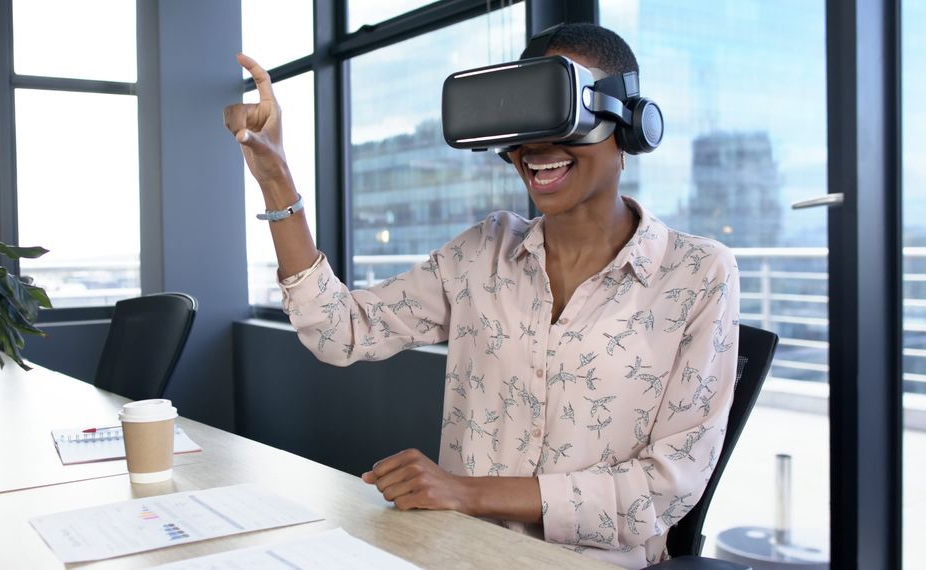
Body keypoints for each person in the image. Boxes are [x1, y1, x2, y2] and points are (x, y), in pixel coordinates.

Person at [224, 23, 739, 569]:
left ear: (631, 124)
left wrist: (466, 492)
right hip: (461, 555)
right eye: (521, 118)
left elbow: (667, 486)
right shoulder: (483, 253)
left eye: (558, 110)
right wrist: (276, 177)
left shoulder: (697, 274)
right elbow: (339, 331)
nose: (534, 146)